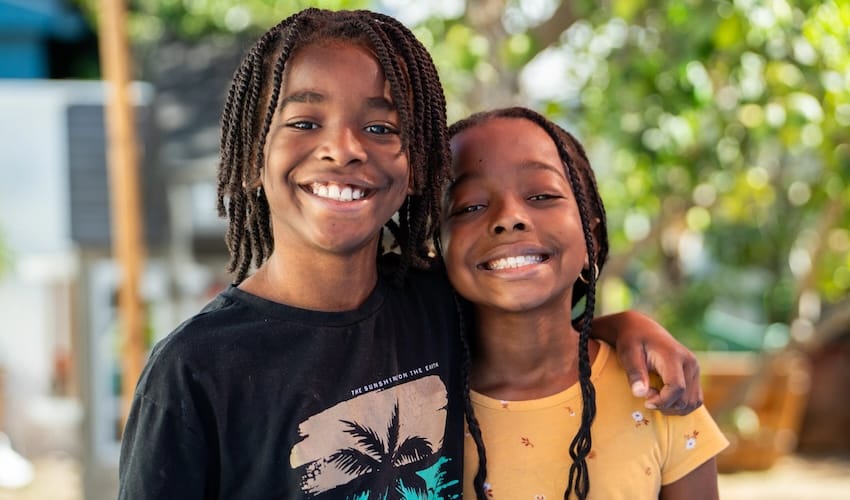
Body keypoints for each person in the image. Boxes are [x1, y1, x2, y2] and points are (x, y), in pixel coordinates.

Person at [119, 9, 703, 499]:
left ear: (418, 165)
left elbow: (536, 322)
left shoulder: (434, 303)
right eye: (303, 120)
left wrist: (629, 327)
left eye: (379, 128)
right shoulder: (193, 370)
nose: (343, 149)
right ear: (251, 157)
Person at [440, 106, 729, 500]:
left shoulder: (659, 392)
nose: (509, 218)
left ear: (590, 236)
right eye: (470, 206)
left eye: (541, 195)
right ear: (435, 246)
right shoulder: (417, 400)